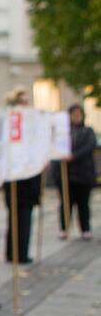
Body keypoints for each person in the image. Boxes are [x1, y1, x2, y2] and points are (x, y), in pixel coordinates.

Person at [2, 88, 41, 262]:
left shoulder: (30, 123)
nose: (27, 105)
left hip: (28, 177)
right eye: (23, 102)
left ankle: (17, 252)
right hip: (17, 178)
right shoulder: (12, 123)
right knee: (18, 217)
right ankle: (17, 253)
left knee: (23, 216)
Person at [56, 103, 97, 240]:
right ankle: (64, 228)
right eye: (74, 115)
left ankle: (85, 229)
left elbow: (89, 146)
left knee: (83, 203)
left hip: (84, 175)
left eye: (79, 115)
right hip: (67, 175)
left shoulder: (88, 131)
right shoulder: (63, 133)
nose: (77, 117)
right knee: (66, 203)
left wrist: (73, 156)